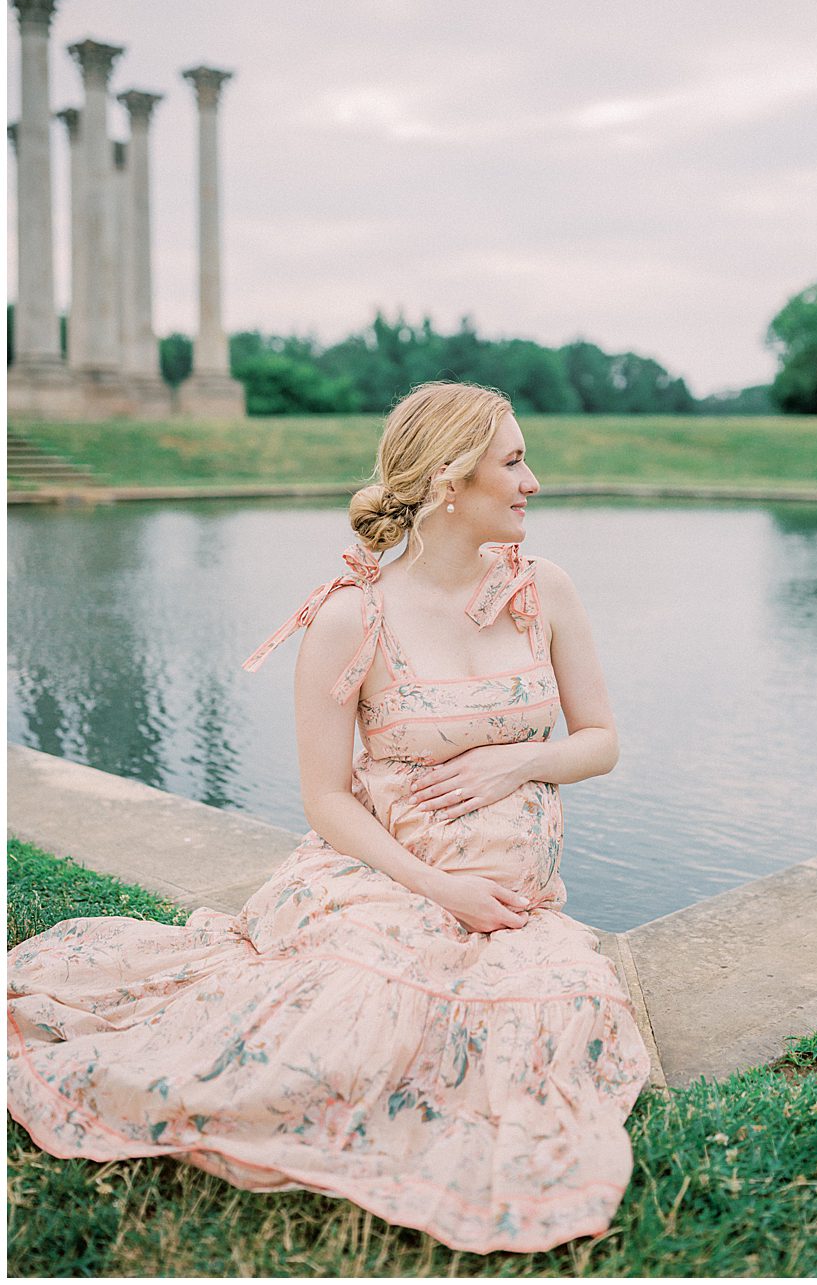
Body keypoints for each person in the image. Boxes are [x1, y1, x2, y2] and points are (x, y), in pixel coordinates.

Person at [8, 380, 651, 1255]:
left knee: (556, 1018)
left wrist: (523, 758)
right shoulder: (353, 617)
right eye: (514, 460)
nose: (533, 479)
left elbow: (602, 740)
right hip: (387, 880)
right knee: (342, 1028)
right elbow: (325, 800)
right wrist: (438, 887)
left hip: (512, 904)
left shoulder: (545, 590)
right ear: (452, 482)